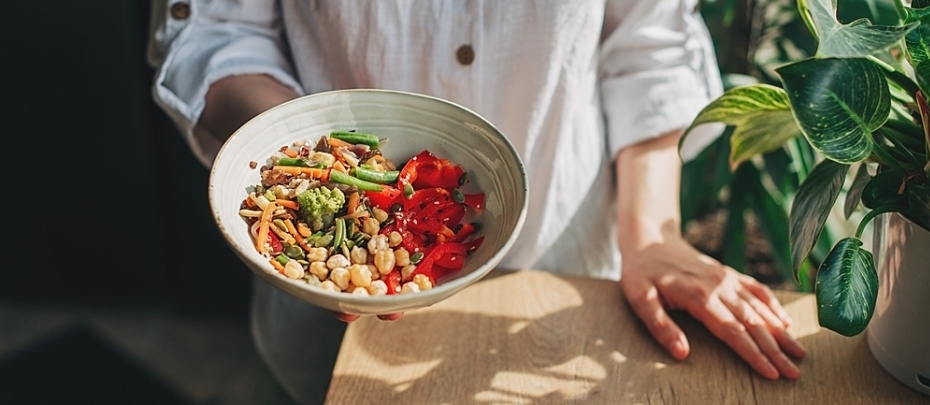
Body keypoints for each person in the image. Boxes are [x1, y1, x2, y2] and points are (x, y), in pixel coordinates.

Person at [148, 1, 806, 403]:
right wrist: (310, 167)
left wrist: (652, 232)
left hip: (563, 272)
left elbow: (647, 43)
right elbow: (218, 27)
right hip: (323, 321)